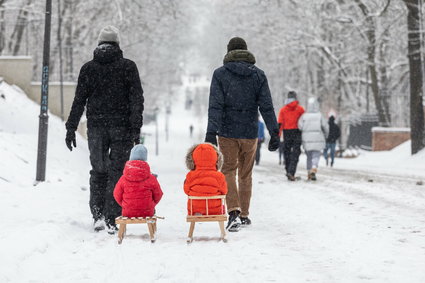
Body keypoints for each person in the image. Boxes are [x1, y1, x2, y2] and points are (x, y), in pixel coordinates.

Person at [65, 25, 144, 234]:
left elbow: (79, 100)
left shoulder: (88, 68)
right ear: (117, 44)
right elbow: (136, 99)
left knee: (99, 171)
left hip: (97, 127)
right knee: (118, 173)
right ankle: (112, 217)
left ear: (99, 44)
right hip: (122, 128)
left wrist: (71, 127)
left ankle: (98, 215)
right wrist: (136, 129)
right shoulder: (128, 67)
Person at [205, 37, 280, 232]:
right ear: (246, 51)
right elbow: (266, 106)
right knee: (245, 174)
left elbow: (215, 105)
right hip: (249, 131)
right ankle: (244, 215)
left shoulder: (220, 74)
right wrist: (274, 131)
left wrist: (211, 132)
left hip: (227, 131)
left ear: (228, 52)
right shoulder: (258, 75)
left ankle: (233, 212)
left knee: (228, 170)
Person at [113, 144, 163, 218]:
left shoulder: (124, 178)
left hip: (127, 212)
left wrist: (125, 205)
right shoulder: (151, 178)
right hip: (147, 212)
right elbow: (158, 194)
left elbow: (116, 194)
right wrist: (151, 205)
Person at [184, 143, 227, 215]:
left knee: (192, 202)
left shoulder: (190, 176)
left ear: (193, 159)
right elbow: (224, 191)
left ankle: (198, 212)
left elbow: (186, 191)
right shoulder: (219, 176)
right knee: (220, 205)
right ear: (216, 159)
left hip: (195, 209)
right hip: (215, 210)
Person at [298, 98, 329, 181]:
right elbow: (325, 127)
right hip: (318, 138)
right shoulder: (319, 115)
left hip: (306, 139)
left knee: (309, 156)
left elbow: (299, 126)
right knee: (316, 155)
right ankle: (314, 168)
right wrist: (326, 135)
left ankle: (309, 172)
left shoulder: (304, 116)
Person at [277, 91, 305, 181]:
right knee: (296, 152)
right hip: (297, 132)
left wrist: (278, 135)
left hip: (287, 132)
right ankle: (291, 171)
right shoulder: (300, 109)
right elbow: (305, 121)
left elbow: (280, 123)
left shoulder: (283, 110)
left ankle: (287, 169)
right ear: (295, 98)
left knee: (287, 151)